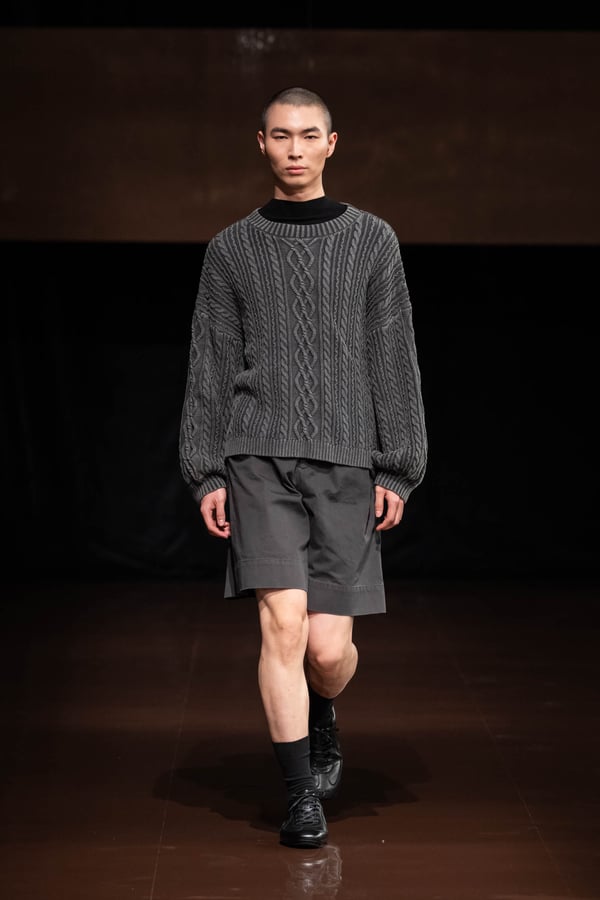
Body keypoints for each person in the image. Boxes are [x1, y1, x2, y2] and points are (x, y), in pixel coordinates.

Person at [179, 86, 427, 849]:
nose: (295, 148)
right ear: (261, 143)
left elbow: (393, 355)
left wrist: (399, 467)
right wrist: (206, 470)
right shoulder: (231, 249)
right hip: (257, 455)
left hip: (347, 460)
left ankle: (323, 710)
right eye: (281, 135)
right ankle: (300, 798)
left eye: (308, 134)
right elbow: (211, 364)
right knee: (281, 625)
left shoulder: (372, 241)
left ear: (331, 143)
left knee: (327, 650)